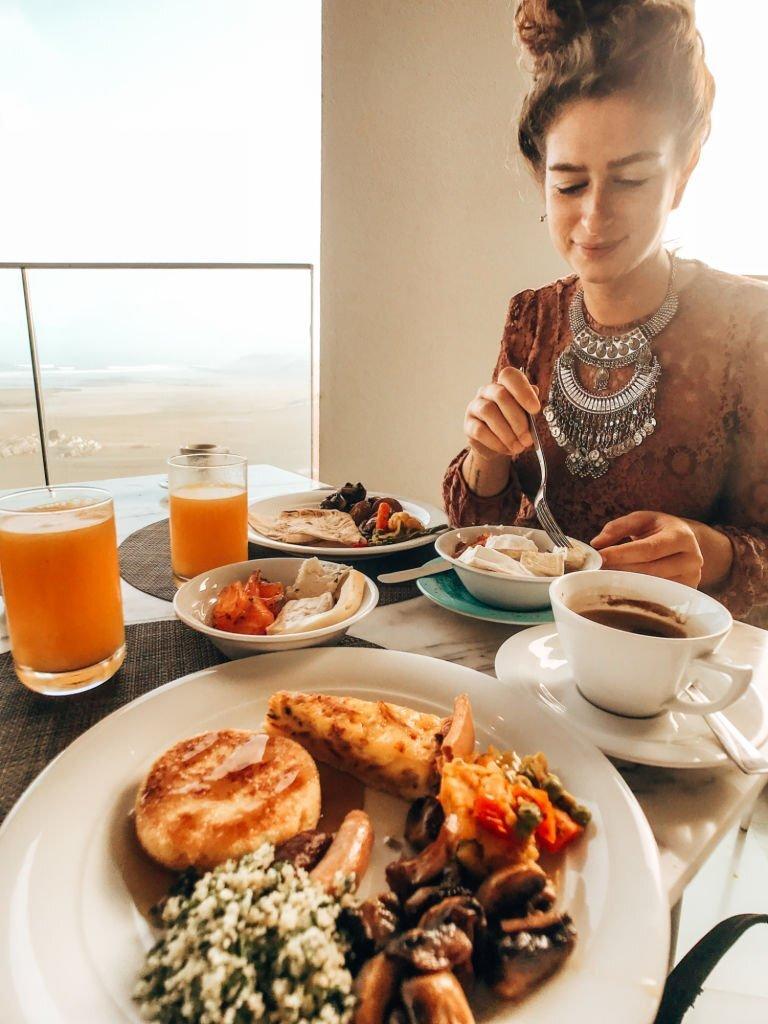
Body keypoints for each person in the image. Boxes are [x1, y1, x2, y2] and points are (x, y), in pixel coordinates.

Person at [442, 0, 768, 624]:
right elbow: (480, 538)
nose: (593, 217)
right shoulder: (531, 317)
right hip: (529, 661)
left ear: (684, 173)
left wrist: (714, 553)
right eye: (569, 185)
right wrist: (485, 458)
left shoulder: (749, 327)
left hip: (683, 678)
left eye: (632, 180)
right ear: (541, 178)